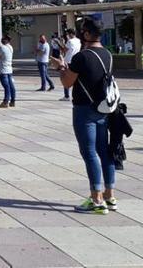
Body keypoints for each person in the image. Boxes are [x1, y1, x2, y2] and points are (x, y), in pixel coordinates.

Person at [51, 17, 117, 215]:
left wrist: (60, 67)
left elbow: (67, 83)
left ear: (87, 34)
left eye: (82, 31)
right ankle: (109, 195)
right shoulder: (108, 54)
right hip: (103, 109)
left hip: (84, 109)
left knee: (89, 153)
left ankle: (96, 199)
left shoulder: (82, 56)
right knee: (104, 151)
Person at [0, 36, 16, 108]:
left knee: (6, 86)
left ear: (7, 40)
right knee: (11, 86)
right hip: (9, 68)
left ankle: (5, 102)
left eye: (3, 39)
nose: (2, 40)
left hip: (3, 69)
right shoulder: (10, 47)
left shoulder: (2, 47)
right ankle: (12, 101)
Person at [61, 29, 82, 101]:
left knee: (66, 77)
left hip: (68, 61)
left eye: (68, 34)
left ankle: (66, 96)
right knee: (76, 78)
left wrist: (63, 42)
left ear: (71, 34)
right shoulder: (78, 40)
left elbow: (64, 50)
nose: (67, 35)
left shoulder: (69, 41)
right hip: (76, 60)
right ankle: (77, 95)